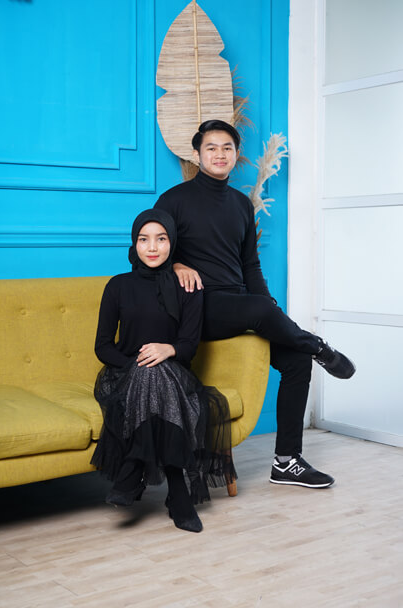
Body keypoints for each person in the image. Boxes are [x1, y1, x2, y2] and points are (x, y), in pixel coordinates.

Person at [155, 119, 356, 489]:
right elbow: (151, 253)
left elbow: (250, 265)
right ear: (197, 154)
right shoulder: (173, 200)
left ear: (236, 155)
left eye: (227, 148)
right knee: (267, 314)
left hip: (240, 306)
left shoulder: (240, 205)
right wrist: (177, 264)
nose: (220, 154)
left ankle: (286, 461)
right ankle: (319, 347)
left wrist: (266, 306)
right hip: (198, 309)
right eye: (211, 148)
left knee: (296, 360)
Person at [92, 208, 236, 533]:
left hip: (176, 375)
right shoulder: (117, 286)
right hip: (124, 375)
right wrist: (138, 365)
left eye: (161, 239)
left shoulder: (188, 285)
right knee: (149, 372)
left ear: (172, 243)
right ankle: (178, 493)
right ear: (134, 243)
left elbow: (188, 345)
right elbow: (103, 347)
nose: (153, 247)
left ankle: (134, 470)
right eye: (144, 240)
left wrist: (167, 350)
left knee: (156, 374)